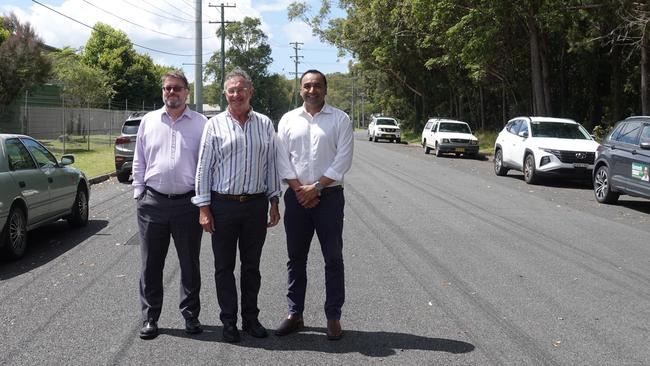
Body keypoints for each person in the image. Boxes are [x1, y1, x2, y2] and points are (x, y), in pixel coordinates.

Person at [192, 68, 281, 343]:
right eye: (231, 90)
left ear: (250, 91)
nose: (236, 94)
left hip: (255, 205)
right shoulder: (214, 125)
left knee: (251, 266)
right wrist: (203, 208)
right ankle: (228, 321)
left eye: (241, 89)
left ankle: (251, 319)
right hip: (223, 206)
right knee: (224, 267)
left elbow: (271, 165)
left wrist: (274, 201)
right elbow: (203, 169)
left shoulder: (265, 124)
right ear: (225, 94)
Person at [274, 69, 354, 340]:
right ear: (300, 90)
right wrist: (299, 190)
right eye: (307, 86)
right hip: (296, 199)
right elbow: (281, 158)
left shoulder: (340, 119)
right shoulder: (287, 120)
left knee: (333, 258)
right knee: (296, 259)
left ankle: (333, 317)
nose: (312, 90)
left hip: (329, 198)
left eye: (317, 85)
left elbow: (343, 160)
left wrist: (317, 187)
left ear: (325, 89)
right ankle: (294, 314)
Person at [132, 70, 207, 340]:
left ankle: (191, 316)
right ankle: (150, 317)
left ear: (187, 91)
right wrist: (139, 191)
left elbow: (206, 165)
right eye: (167, 89)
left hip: (188, 204)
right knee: (151, 264)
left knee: (189, 264)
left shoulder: (201, 123)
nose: (171, 93)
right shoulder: (149, 121)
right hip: (152, 202)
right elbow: (139, 159)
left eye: (176, 88)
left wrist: (202, 202)